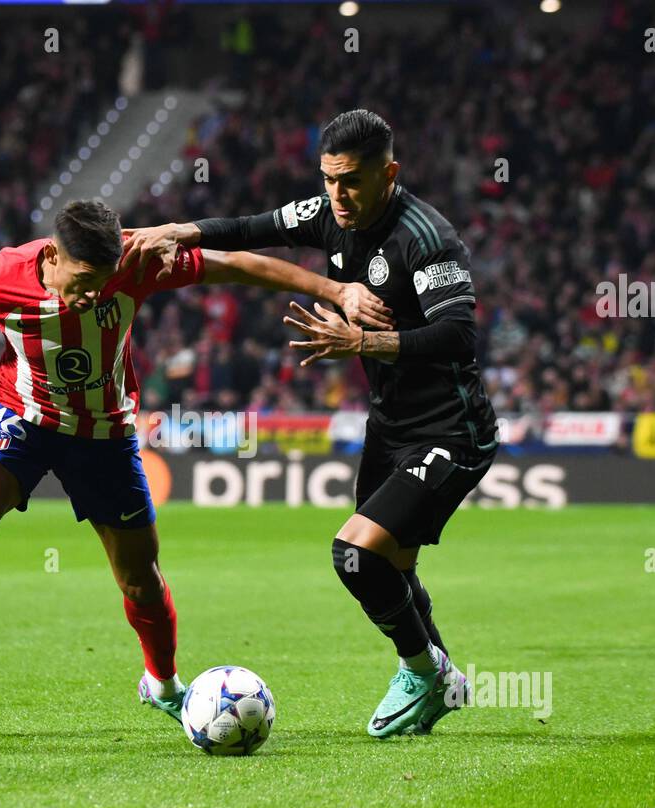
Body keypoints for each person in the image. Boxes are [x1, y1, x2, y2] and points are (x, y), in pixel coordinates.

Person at [0, 198, 390, 725]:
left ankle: (162, 684)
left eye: (102, 279)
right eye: (85, 280)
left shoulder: (135, 259)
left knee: (139, 578)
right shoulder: (1, 276)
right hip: (22, 415)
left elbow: (236, 263)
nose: (93, 292)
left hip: (105, 431)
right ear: (53, 257)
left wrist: (335, 291)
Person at [121, 109, 499, 737]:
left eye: (350, 180)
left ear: (389, 173)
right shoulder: (329, 214)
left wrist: (362, 343)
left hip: (451, 431)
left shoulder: (427, 238)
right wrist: (177, 230)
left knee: (354, 555)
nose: (336, 195)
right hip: (390, 424)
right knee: (392, 567)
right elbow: (251, 228)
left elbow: (459, 335)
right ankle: (439, 679)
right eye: (328, 179)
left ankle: (426, 671)